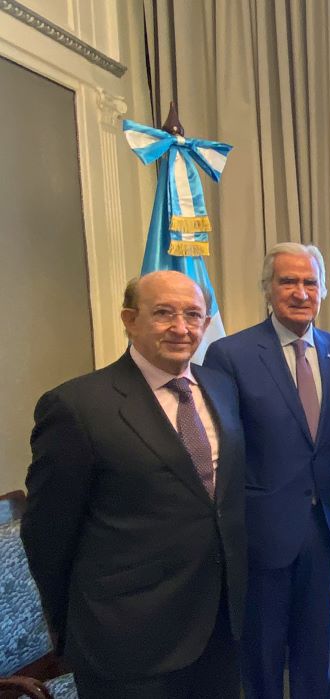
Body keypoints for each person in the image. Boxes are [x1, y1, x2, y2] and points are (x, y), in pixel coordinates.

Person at [21, 270, 247, 698]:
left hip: (219, 626)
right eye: (163, 313)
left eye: (192, 315)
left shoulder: (222, 387)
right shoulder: (76, 406)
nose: (181, 327)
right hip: (126, 638)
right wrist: (70, 629)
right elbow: (47, 533)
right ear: (130, 319)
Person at [204, 243, 330, 698]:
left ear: (323, 290)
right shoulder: (230, 355)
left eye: (310, 282)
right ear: (268, 289)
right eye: (288, 281)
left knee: (315, 655)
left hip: (325, 527)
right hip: (261, 531)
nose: (300, 292)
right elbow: (222, 448)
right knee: (263, 657)